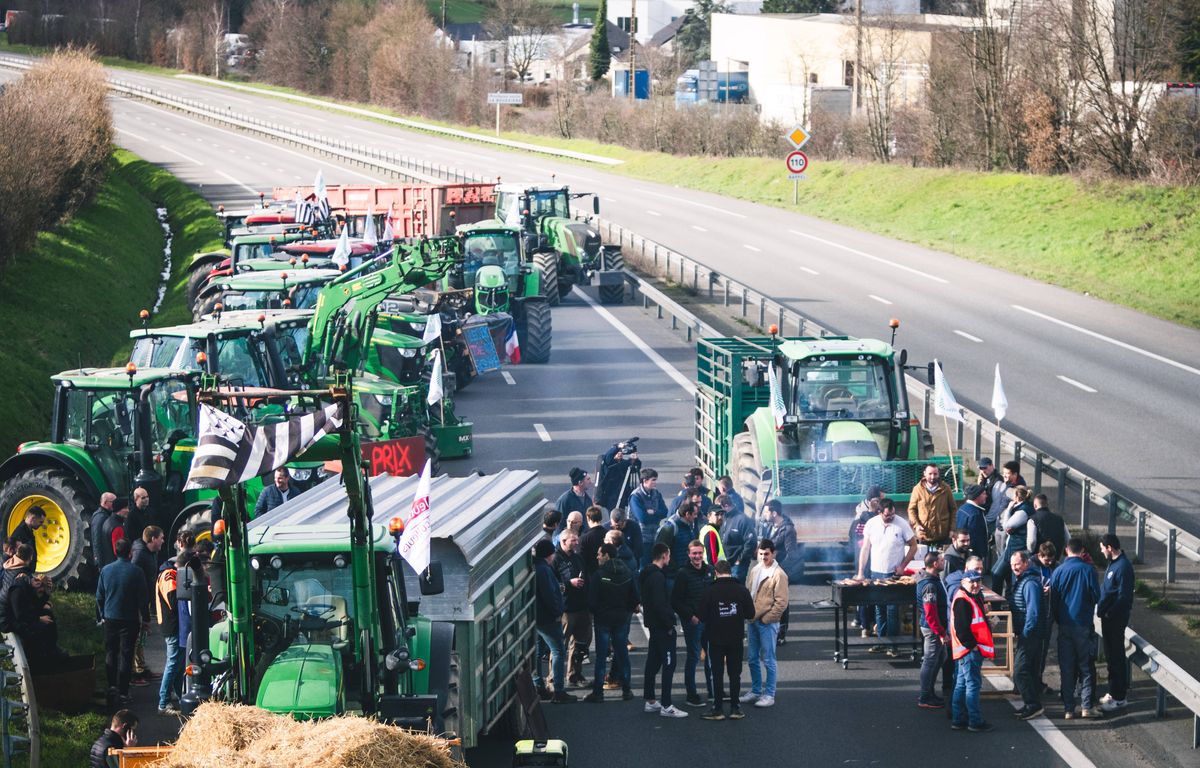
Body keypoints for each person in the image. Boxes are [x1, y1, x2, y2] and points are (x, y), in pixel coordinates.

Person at [1049, 537, 1102, 719]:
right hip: (1083, 624)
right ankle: (1086, 706)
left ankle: (1068, 709)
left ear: (1066, 550)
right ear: (1083, 551)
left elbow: (1053, 600)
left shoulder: (1058, 571)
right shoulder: (1088, 570)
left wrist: (1058, 618)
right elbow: (1096, 596)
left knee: (1067, 667)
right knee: (1086, 666)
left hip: (1064, 625)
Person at [856, 498, 917, 655]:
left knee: (892, 610)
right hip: (876, 572)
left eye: (893, 514)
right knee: (879, 608)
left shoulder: (901, 523)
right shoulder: (871, 524)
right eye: (887, 515)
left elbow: (913, 546)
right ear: (879, 512)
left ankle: (893, 646)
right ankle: (881, 642)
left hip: (893, 574)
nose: (891, 518)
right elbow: (865, 549)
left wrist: (902, 566)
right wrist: (861, 572)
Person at [697, 559, 754, 721]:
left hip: (715, 638)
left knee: (717, 673)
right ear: (730, 571)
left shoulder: (710, 591)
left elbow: (701, 615)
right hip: (735, 637)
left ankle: (718, 708)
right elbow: (750, 613)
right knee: (735, 674)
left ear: (716, 573)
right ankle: (735, 707)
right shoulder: (742, 590)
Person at [96, 538, 150, 708]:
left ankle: (112, 686)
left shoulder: (106, 570)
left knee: (111, 652)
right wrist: (146, 619)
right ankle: (124, 691)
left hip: (111, 617)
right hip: (130, 618)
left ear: (115, 552)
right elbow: (143, 598)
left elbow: (99, 596)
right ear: (130, 553)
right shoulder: (137, 572)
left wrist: (101, 615)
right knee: (126, 655)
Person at [584, 543, 637, 703]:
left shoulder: (599, 575)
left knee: (601, 656)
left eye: (600, 554)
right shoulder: (627, 572)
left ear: (607, 555)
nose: (597, 556)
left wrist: (598, 612)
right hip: (621, 619)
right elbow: (634, 598)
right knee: (622, 654)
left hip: (603, 620)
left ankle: (598, 692)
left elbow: (591, 601)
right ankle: (627, 690)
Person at [641, 543, 686, 718]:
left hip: (653, 625)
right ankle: (666, 705)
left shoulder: (646, 573)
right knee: (669, 664)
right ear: (665, 555)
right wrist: (669, 625)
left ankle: (650, 700)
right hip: (662, 627)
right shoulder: (658, 577)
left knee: (652, 662)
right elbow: (660, 604)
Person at [741, 539, 788, 708]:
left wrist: (767, 619)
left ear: (773, 553)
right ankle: (755, 691)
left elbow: (782, 603)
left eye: (766, 554)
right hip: (752, 620)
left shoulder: (779, 574)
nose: (763, 557)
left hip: (766, 623)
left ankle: (769, 694)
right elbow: (748, 591)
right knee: (753, 658)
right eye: (760, 554)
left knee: (768, 659)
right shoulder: (755, 570)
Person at [949, 570, 994, 732]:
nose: (975, 585)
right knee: (972, 685)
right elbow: (962, 629)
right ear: (963, 582)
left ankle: (959, 719)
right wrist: (972, 645)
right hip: (969, 650)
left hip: (964, 650)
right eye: (972, 581)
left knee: (962, 685)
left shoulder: (966, 597)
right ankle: (975, 721)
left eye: (978, 581)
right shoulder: (964, 600)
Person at [672, 540, 714, 708]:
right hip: (693, 623)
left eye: (699, 553)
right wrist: (690, 616)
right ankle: (691, 694)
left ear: (703, 553)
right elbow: (675, 601)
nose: (697, 556)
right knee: (694, 657)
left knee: (712, 657)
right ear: (689, 554)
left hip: (709, 621)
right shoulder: (682, 574)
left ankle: (713, 690)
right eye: (694, 553)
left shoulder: (710, 571)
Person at [532, 539, 573, 703]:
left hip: (537, 617)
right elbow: (549, 594)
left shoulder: (536, 567)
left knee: (537, 652)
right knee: (558, 651)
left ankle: (538, 685)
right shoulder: (544, 570)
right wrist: (558, 611)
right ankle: (559, 690)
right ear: (550, 554)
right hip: (548, 618)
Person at [1097, 533, 1134, 712]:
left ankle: (1119, 697)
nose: (1102, 551)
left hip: (1115, 619)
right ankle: (1113, 692)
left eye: (1103, 548)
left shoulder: (1123, 567)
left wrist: (1110, 613)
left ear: (1109, 547)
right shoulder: (1114, 564)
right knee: (1111, 657)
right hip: (1108, 618)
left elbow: (1124, 597)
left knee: (1116, 657)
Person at [1011, 550, 1048, 719]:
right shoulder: (1024, 581)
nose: (1014, 568)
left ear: (1026, 563)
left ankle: (1033, 704)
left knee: (1019, 671)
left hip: (1031, 635)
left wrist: (1025, 634)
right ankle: (1031, 704)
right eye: (1012, 565)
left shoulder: (1030, 584)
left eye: (1017, 564)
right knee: (1030, 671)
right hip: (1030, 633)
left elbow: (1032, 613)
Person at [553, 531, 590, 690]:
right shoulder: (555, 559)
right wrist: (569, 583)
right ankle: (554, 680)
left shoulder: (577, 557)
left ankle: (575, 675)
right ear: (563, 540)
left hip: (582, 607)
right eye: (573, 540)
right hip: (566, 610)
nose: (577, 543)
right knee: (560, 646)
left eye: (577, 540)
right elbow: (553, 584)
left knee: (580, 645)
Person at [129, 526, 164, 687]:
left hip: (145, 599)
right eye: (161, 538)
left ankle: (141, 667)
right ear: (153, 539)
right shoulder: (139, 555)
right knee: (136, 636)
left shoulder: (151, 553)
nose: (163, 540)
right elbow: (135, 578)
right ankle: (136, 671)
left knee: (142, 636)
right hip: (137, 602)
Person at [916, 551, 950, 709]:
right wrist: (941, 632)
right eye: (942, 560)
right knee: (930, 660)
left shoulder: (932, 581)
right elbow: (930, 614)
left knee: (940, 657)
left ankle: (929, 691)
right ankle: (925, 696)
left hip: (935, 627)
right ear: (935, 564)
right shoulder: (930, 585)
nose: (944, 562)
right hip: (933, 629)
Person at [761, 500, 796, 643]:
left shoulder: (788, 530)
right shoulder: (770, 527)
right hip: (768, 571)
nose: (764, 514)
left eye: (766, 512)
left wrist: (779, 570)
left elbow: (792, 554)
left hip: (780, 572)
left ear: (774, 513)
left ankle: (781, 634)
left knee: (781, 603)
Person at [992, 486, 1033, 599]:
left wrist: (1009, 509)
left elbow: (1006, 526)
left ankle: (998, 604)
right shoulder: (1021, 507)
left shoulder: (1022, 511)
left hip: (1016, 548)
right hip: (1011, 547)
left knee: (998, 574)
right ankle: (1001, 600)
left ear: (1016, 497)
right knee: (995, 572)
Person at [908, 464, 955, 547]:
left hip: (943, 535)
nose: (933, 477)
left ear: (938, 474)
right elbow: (911, 510)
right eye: (930, 474)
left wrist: (952, 529)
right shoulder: (917, 489)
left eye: (935, 474)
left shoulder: (946, 489)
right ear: (924, 473)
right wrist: (917, 525)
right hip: (924, 535)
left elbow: (953, 510)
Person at [629, 469, 669, 565]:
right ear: (645, 481)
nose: (655, 483)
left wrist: (653, 512)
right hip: (641, 537)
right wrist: (656, 516)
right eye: (653, 480)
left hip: (655, 536)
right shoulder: (635, 496)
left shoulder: (656, 493)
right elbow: (642, 518)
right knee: (644, 565)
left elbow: (665, 512)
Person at [655, 501, 699, 587]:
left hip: (684, 573)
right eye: (694, 514)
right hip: (672, 576)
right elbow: (660, 549)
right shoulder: (671, 527)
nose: (696, 516)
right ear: (687, 514)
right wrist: (672, 567)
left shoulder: (689, 524)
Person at [991, 461, 1026, 559]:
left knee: (1004, 557)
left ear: (1015, 474)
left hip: (1006, 527)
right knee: (999, 554)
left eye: (1007, 473)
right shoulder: (1008, 484)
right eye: (1004, 473)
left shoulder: (1019, 490)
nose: (1004, 475)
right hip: (1000, 525)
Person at [717, 493, 755, 582]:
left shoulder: (742, 519)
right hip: (725, 564)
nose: (717, 511)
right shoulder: (723, 518)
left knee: (737, 591)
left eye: (718, 507)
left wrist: (740, 559)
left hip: (738, 565)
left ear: (726, 506)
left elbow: (751, 542)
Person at [1028, 495, 1067, 562]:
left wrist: (1031, 552)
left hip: (1040, 557)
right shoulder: (1059, 519)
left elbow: (1032, 541)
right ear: (1047, 504)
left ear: (1034, 505)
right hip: (1056, 557)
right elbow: (1068, 539)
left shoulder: (1032, 519)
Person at [956, 484, 989, 561]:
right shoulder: (975, 514)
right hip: (973, 554)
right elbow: (975, 538)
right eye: (984, 494)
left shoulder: (962, 508)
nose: (986, 496)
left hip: (961, 549)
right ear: (977, 496)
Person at [10, 506, 45, 573]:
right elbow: (15, 557)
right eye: (40, 522)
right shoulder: (19, 533)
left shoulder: (29, 531)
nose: (42, 525)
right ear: (33, 518)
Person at [578, 506, 608, 579]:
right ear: (601, 518)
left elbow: (581, 560)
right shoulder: (608, 534)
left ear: (588, 518)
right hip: (607, 574)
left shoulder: (584, 538)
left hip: (591, 576)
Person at [91, 492, 118, 569]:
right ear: (105, 502)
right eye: (114, 502)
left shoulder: (106, 515)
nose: (115, 505)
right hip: (104, 560)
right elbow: (97, 539)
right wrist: (98, 560)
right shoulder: (100, 517)